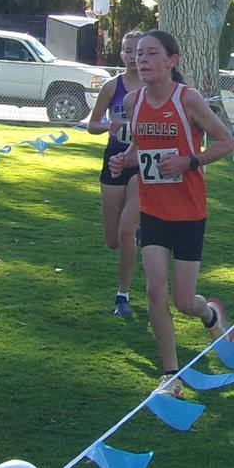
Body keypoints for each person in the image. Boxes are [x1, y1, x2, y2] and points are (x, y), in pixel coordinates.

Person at [107, 29, 234, 398]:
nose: (141, 60)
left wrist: (189, 161)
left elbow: (225, 141)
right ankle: (170, 376)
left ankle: (210, 314)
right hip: (153, 210)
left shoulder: (187, 99)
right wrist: (124, 159)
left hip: (189, 211)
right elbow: (139, 147)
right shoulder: (134, 102)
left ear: (172, 61)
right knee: (154, 291)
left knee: (183, 300)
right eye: (138, 55)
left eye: (150, 54)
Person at [87, 30, 143, 317]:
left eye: (139, 51)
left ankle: (123, 294)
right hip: (115, 158)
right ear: (121, 54)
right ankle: (139, 233)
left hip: (143, 163)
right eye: (128, 51)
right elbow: (91, 125)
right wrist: (110, 125)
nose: (134, 57)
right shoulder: (112, 86)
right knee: (113, 239)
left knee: (125, 231)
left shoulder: (155, 87)